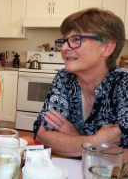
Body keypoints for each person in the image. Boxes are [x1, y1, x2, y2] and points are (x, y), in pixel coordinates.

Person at [33, 8, 128, 161]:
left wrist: (74, 137)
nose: (64, 48)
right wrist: (97, 141)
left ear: (107, 47)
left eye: (76, 39)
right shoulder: (64, 78)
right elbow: (42, 134)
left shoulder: (123, 85)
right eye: (63, 41)